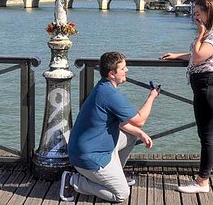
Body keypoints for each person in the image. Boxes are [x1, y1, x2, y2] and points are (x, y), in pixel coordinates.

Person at [161, 0, 213, 193]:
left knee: (206, 136)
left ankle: (202, 181)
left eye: (198, 13)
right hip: (208, 87)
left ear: (209, 12)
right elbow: (199, 55)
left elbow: (198, 57)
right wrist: (178, 56)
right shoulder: (212, 33)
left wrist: (200, 34)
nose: (195, 16)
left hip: (211, 87)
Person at [61, 51, 160, 202]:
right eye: (123, 68)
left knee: (132, 135)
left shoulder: (103, 87)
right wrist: (152, 97)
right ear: (112, 74)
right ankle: (74, 181)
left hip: (91, 147)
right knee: (121, 194)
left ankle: (115, 175)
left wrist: (140, 133)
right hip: (89, 157)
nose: (127, 70)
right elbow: (139, 120)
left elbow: (121, 122)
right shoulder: (109, 94)